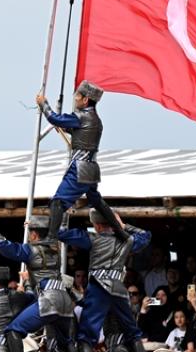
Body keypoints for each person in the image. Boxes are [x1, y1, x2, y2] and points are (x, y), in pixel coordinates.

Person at [0, 204, 75, 352]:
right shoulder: (55, 249)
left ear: (35, 234)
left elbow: (5, 246)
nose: (29, 236)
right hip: (65, 301)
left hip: (48, 299)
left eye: (30, 233)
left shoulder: (31, 250)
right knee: (66, 342)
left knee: (13, 330)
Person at [58, 209, 153, 352]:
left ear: (97, 225)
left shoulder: (94, 239)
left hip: (99, 287)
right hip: (118, 287)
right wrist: (123, 226)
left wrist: (65, 215)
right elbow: (146, 235)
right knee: (134, 333)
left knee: (85, 338)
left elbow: (61, 233)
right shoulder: (126, 240)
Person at [36, 80, 128, 240]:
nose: (75, 99)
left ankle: (50, 240)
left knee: (58, 202)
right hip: (92, 168)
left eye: (78, 96)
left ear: (85, 99)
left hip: (79, 168)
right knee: (98, 203)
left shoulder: (82, 116)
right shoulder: (96, 120)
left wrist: (44, 104)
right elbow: (76, 131)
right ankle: (121, 233)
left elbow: (54, 118)